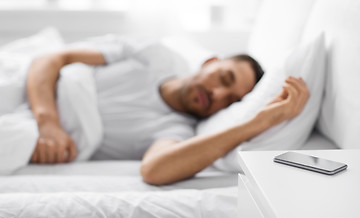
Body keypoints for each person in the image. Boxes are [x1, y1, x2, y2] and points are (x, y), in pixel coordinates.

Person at [26, 36, 309, 185]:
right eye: (224, 78)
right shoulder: (154, 54)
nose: (218, 95)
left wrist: (256, 124)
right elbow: (52, 58)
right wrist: (48, 123)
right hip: (31, 92)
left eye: (231, 102)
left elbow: (154, 170)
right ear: (209, 61)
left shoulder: (177, 131)